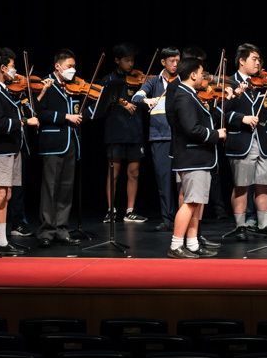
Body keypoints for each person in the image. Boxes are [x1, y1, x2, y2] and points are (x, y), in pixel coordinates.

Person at [168, 57, 229, 258]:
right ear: (193, 74)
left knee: (197, 202)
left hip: (199, 157)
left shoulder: (190, 94)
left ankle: (192, 243)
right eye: (202, 73)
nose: (204, 77)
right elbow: (191, 129)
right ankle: (176, 245)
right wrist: (215, 134)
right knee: (191, 201)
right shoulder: (184, 96)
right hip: (193, 156)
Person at [0, 48, 38, 257]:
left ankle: (3, 240)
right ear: (3, 68)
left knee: (8, 194)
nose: (15, 71)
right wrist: (24, 121)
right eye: (13, 66)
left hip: (13, 148)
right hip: (1, 148)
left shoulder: (4, 89)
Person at [223, 43, 267, 239]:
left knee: (264, 184)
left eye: (259, 59)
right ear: (242, 61)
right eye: (254, 59)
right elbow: (221, 113)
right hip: (241, 141)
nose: (258, 63)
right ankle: (240, 226)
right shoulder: (229, 83)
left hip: (263, 141)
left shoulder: (263, 84)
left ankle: (263, 224)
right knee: (241, 185)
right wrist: (242, 118)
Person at [35, 50, 86, 248]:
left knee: (66, 188)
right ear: (58, 66)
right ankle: (46, 230)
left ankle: (62, 228)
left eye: (74, 66)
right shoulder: (45, 84)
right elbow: (39, 111)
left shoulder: (72, 86)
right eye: (69, 66)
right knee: (50, 187)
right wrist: (65, 117)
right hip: (53, 143)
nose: (73, 70)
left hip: (72, 141)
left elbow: (78, 110)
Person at [95, 43, 147, 225]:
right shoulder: (108, 79)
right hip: (115, 130)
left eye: (132, 60)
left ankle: (130, 211)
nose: (130, 64)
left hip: (135, 131)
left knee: (134, 172)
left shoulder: (139, 79)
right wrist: (122, 102)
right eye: (126, 60)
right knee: (113, 172)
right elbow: (102, 102)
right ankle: (111, 210)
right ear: (117, 60)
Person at [134, 46, 181, 232]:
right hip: (159, 137)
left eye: (178, 61)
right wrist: (147, 101)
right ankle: (167, 219)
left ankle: (183, 218)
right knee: (164, 180)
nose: (176, 65)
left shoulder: (181, 81)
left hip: (179, 136)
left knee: (182, 181)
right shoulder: (153, 82)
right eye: (172, 61)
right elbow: (137, 97)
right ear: (163, 62)